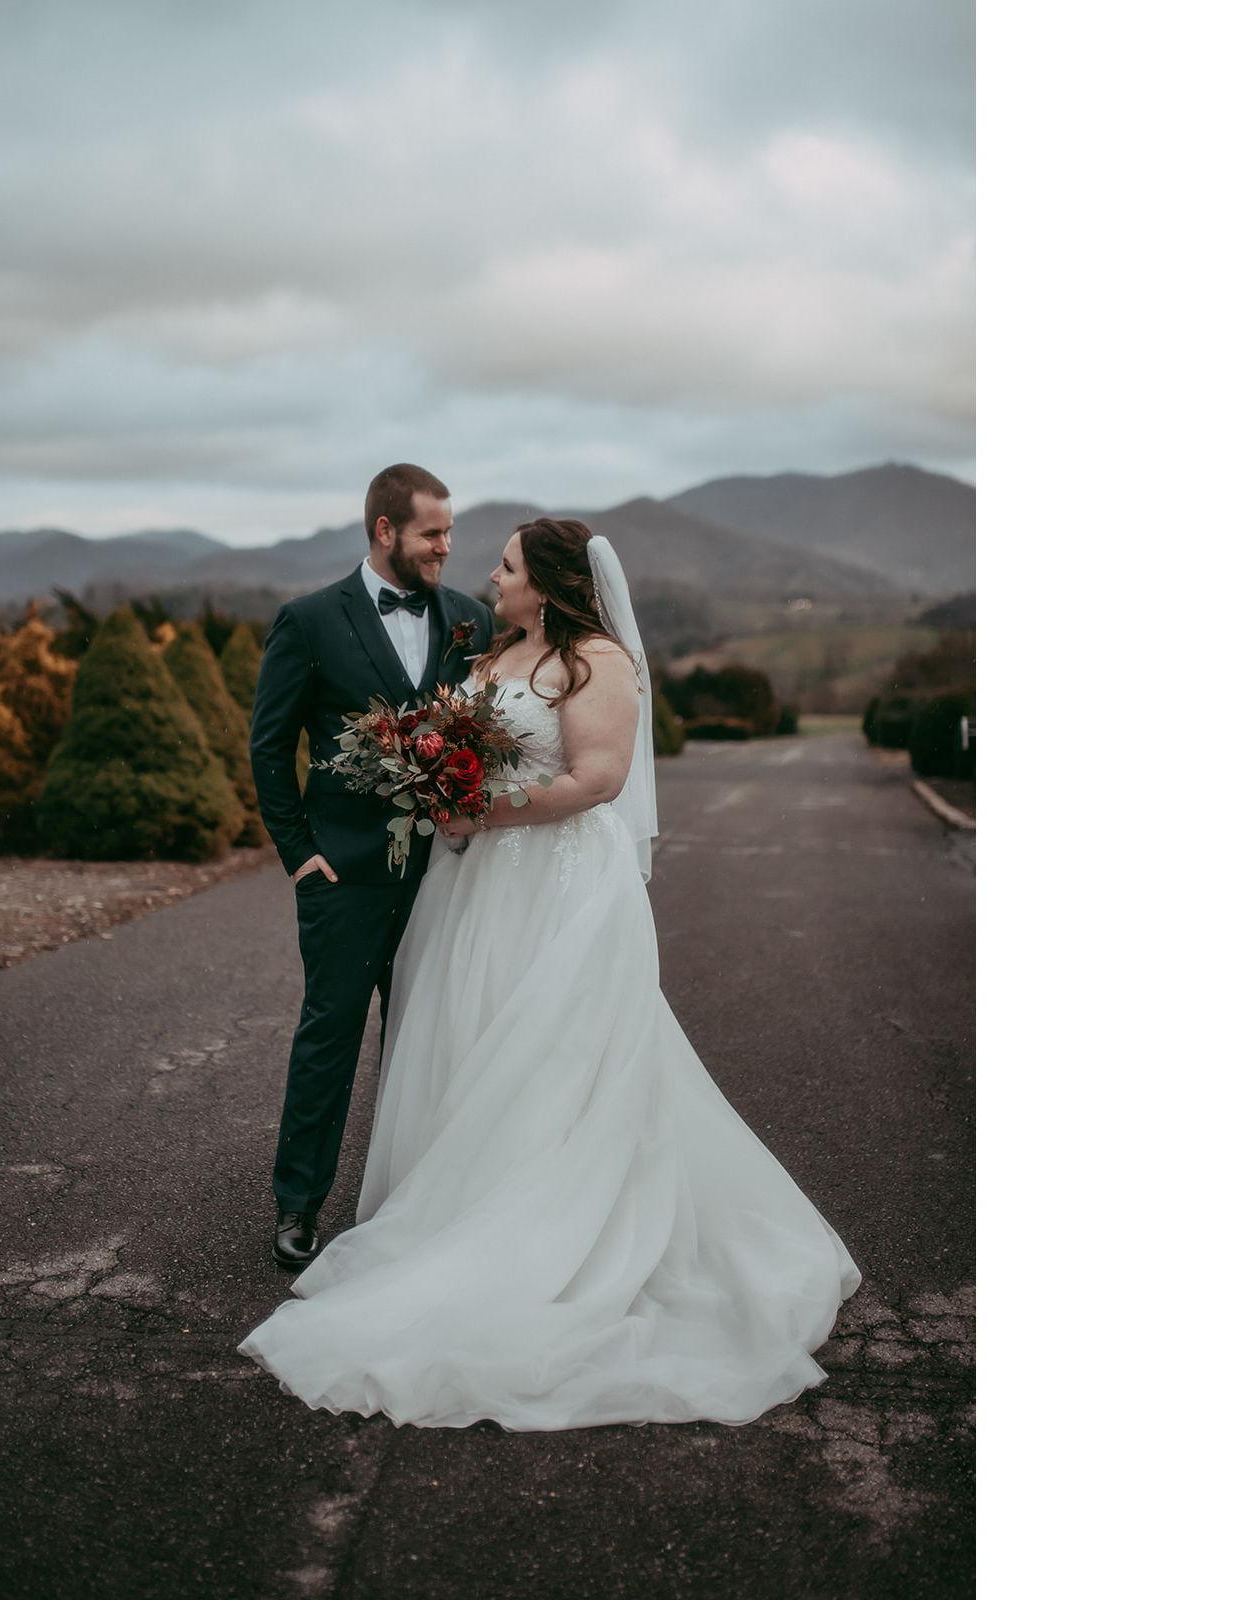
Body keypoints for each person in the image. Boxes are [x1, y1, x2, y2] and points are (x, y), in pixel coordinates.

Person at [239, 517, 862, 1429]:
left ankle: (550, 1228)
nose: (490, 577)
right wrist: (437, 784)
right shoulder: (494, 656)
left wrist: (480, 810)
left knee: (555, 1051)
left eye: (507, 566)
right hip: (475, 886)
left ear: (551, 582)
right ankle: (462, 1209)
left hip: (561, 883)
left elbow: (598, 779)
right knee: (472, 1039)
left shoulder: (597, 661)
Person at [249, 463, 496, 1270]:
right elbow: (269, 746)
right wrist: (300, 854)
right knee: (331, 1035)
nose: (445, 547)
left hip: (446, 874)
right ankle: (297, 1203)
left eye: (450, 532)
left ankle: (409, 1201)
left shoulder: (471, 621)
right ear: (384, 531)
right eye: (431, 533)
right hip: (344, 874)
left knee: (424, 1039)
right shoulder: (311, 620)